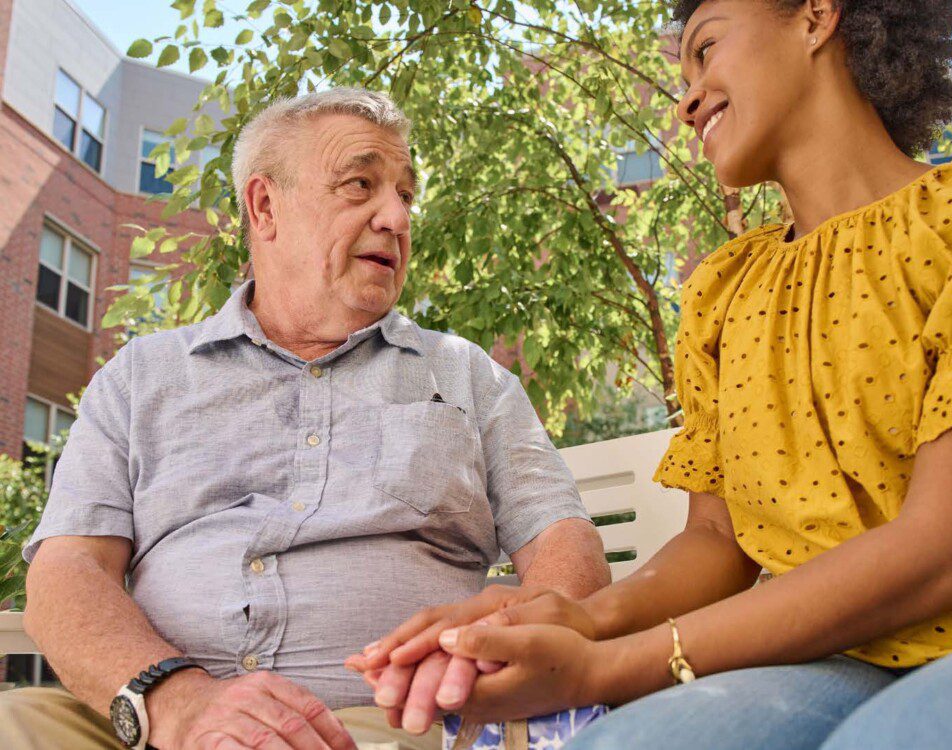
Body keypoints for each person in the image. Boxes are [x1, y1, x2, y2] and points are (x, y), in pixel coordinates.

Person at [349, 2, 952, 747]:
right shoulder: (724, 291)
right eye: (683, 73)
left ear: (816, 16)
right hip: (826, 654)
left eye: (707, 49)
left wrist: (608, 666)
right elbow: (715, 541)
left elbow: (949, 549)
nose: (687, 99)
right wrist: (578, 617)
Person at [0, 87, 610, 750]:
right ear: (265, 206)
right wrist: (178, 701)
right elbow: (66, 574)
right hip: (160, 721)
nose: (397, 218)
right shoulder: (139, 378)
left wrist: (491, 656)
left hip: (389, 719)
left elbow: (563, 549)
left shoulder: (469, 377)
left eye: (405, 195)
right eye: (360, 185)